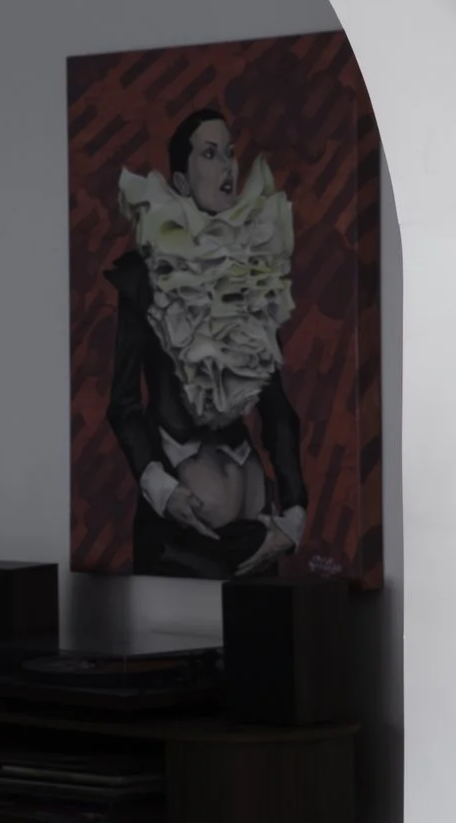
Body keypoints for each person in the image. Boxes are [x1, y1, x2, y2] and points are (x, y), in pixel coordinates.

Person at [105, 106, 309, 578]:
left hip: (258, 537)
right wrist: (162, 490)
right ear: (180, 181)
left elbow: (276, 408)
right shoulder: (144, 276)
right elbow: (123, 403)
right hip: (181, 537)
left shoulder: (251, 273)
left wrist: (294, 516)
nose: (228, 168)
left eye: (231, 155)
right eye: (211, 154)